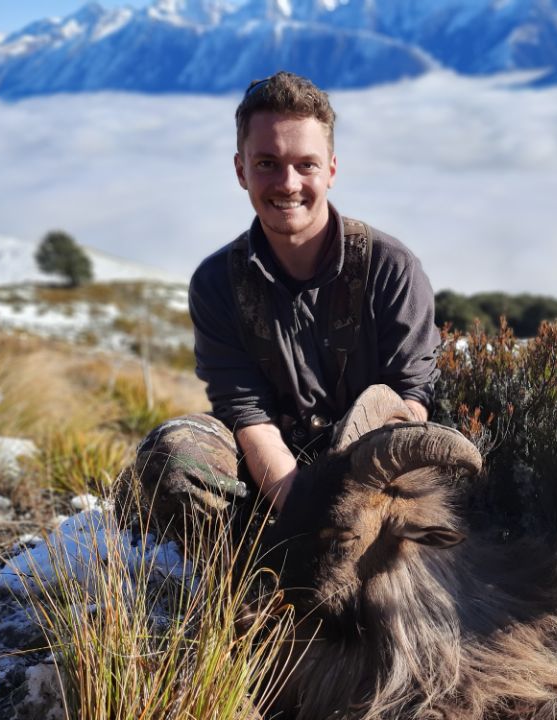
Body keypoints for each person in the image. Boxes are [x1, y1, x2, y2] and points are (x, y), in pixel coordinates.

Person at [119, 71, 439, 533]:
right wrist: (306, 514)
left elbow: (411, 399)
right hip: (271, 474)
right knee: (175, 457)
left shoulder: (392, 267)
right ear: (240, 170)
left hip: (373, 481)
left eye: (306, 164)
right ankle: (243, 581)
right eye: (267, 163)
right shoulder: (216, 283)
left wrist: (355, 508)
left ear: (331, 169)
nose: (287, 183)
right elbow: (248, 414)